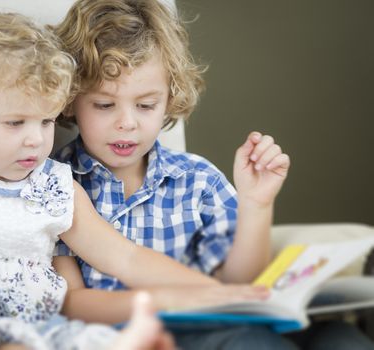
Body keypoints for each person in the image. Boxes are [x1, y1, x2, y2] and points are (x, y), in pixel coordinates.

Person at [0, 12, 272, 350]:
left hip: (49, 327)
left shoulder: (53, 185)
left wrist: (213, 293)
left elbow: (124, 258)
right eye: (15, 122)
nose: (36, 139)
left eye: (47, 120)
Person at [50, 1, 374, 349]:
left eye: (146, 105)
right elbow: (72, 305)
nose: (127, 122)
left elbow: (239, 284)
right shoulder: (56, 186)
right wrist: (177, 299)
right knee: (249, 341)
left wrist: (256, 204)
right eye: (104, 105)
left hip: (219, 322)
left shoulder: (197, 179)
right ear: (70, 97)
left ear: (170, 98)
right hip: (140, 335)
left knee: (343, 338)